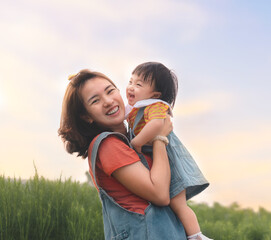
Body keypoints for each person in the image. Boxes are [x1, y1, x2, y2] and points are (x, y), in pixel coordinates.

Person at [58, 69, 187, 239]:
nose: (108, 101)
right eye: (95, 100)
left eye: (110, 91)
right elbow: (160, 194)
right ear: (86, 116)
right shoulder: (109, 145)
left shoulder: (131, 139)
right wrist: (159, 138)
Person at [126, 62, 212, 240]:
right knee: (170, 204)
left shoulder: (155, 106)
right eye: (130, 81)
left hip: (170, 162)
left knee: (178, 204)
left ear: (155, 94)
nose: (131, 87)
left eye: (139, 84)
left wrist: (137, 142)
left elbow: (157, 124)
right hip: (158, 161)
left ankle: (197, 236)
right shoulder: (135, 109)